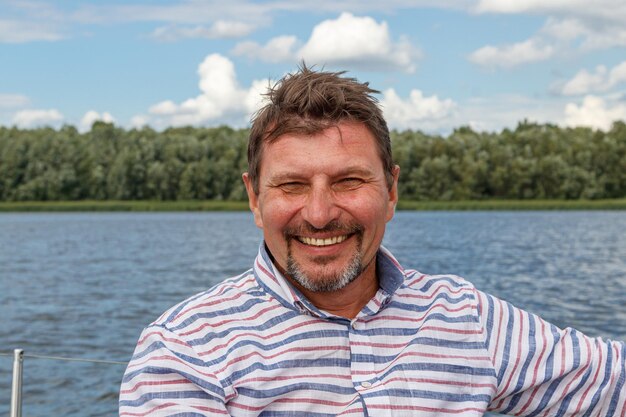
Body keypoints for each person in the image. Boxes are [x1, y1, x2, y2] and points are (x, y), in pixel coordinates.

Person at [120, 66, 625, 416]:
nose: (319, 215)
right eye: (292, 185)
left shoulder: (464, 318)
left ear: (391, 192)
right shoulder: (184, 353)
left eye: (348, 182)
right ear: (255, 199)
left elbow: (612, 386)